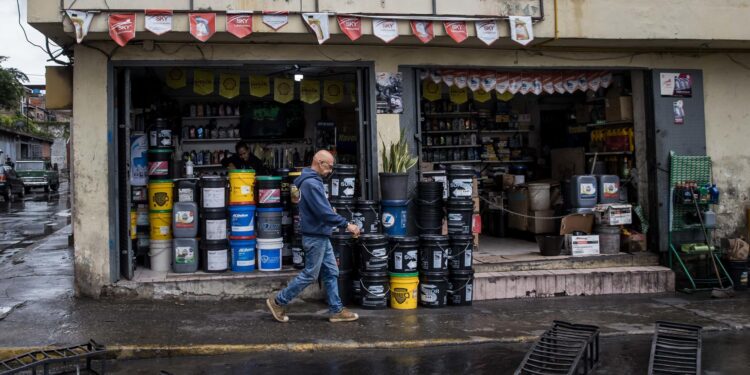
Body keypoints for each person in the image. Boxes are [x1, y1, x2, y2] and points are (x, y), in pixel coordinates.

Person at [267, 150, 361, 323]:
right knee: (310, 274)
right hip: (315, 236)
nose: (330, 170)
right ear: (319, 162)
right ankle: (278, 301)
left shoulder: (310, 181)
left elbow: (319, 208)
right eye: (329, 166)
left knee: (332, 272)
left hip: (320, 234)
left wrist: (326, 210)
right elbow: (323, 212)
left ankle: (336, 309)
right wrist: (347, 224)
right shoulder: (311, 183)